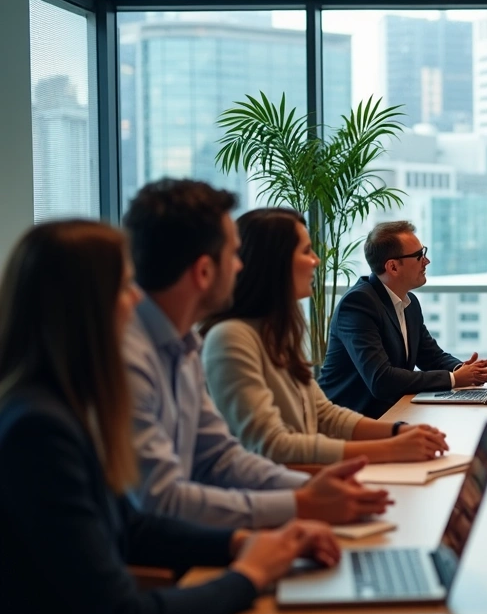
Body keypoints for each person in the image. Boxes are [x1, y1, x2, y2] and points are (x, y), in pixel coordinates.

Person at [0, 220, 341, 614]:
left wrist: (242, 543)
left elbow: (131, 528)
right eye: (125, 288)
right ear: (84, 310)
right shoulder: (38, 430)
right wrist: (249, 575)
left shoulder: (62, 406)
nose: (136, 300)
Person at [122, 178, 391, 528]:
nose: (240, 266)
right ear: (204, 271)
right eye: (233, 255)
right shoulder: (131, 360)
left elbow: (221, 459)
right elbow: (161, 501)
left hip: (205, 531)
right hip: (173, 547)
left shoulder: (183, 348)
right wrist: (301, 504)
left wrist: (309, 492)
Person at [201, 209, 450, 465]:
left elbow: (323, 413)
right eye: (306, 251)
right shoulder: (230, 338)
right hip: (283, 482)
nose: (316, 261)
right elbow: (272, 445)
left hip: (304, 473)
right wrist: (391, 448)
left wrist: (399, 431)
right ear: (275, 262)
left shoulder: (277, 333)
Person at [319, 221, 487, 418]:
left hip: (393, 413)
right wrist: (453, 379)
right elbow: (381, 380)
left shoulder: (409, 302)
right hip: (347, 421)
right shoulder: (358, 304)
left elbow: (430, 356)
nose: (426, 261)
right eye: (419, 255)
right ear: (393, 267)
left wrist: (464, 370)